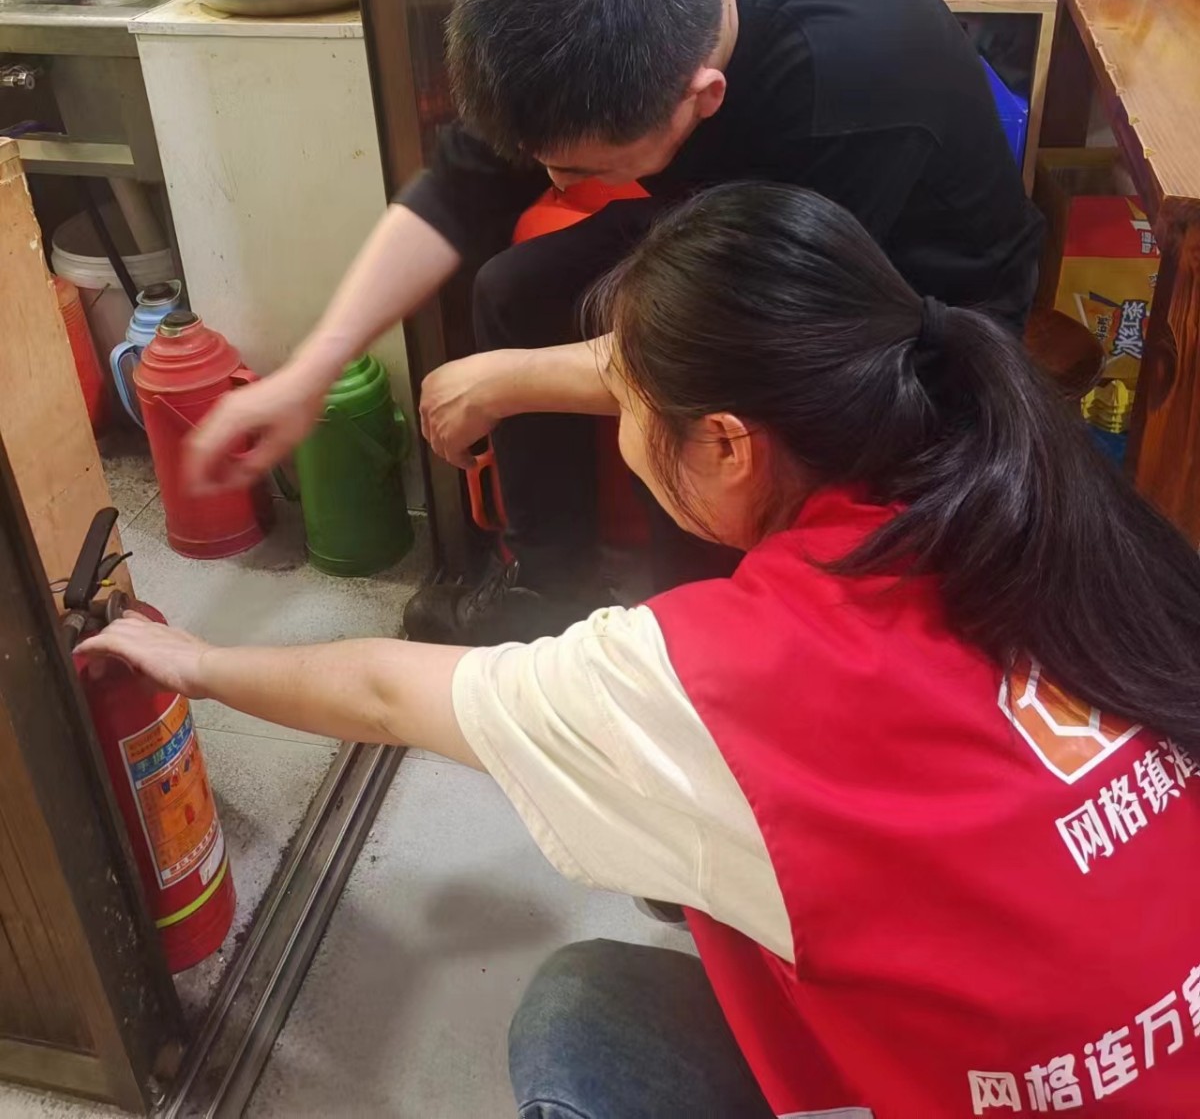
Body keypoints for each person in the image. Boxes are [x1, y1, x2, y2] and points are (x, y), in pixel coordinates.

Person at [88, 184, 1200, 1118]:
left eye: (624, 399)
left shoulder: (716, 680)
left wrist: (198, 663)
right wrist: (513, 376)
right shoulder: (1029, 482)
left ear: (726, 443)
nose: (617, 426)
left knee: (584, 1020)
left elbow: (385, 691)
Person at [186, 0, 1044, 644]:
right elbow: (458, 190)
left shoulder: (848, 85)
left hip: (909, 299)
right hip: (738, 222)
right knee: (515, 290)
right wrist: (312, 371)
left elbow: (758, 339)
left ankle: (690, 631)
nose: (558, 184)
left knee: (695, 434)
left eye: (583, 168)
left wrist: (509, 382)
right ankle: (549, 590)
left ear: (703, 99)